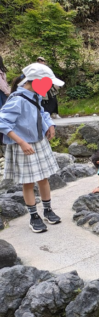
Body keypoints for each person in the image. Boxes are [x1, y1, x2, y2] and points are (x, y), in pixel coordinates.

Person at [0, 63, 63, 232]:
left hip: (38, 141)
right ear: (35, 81)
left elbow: (41, 111)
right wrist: (21, 142)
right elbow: (3, 122)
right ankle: (34, 216)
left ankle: (48, 210)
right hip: (24, 145)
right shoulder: (17, 99)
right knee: (28, 182)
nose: (49, 86)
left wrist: (50, 124)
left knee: (44, 178)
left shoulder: (34, 95)